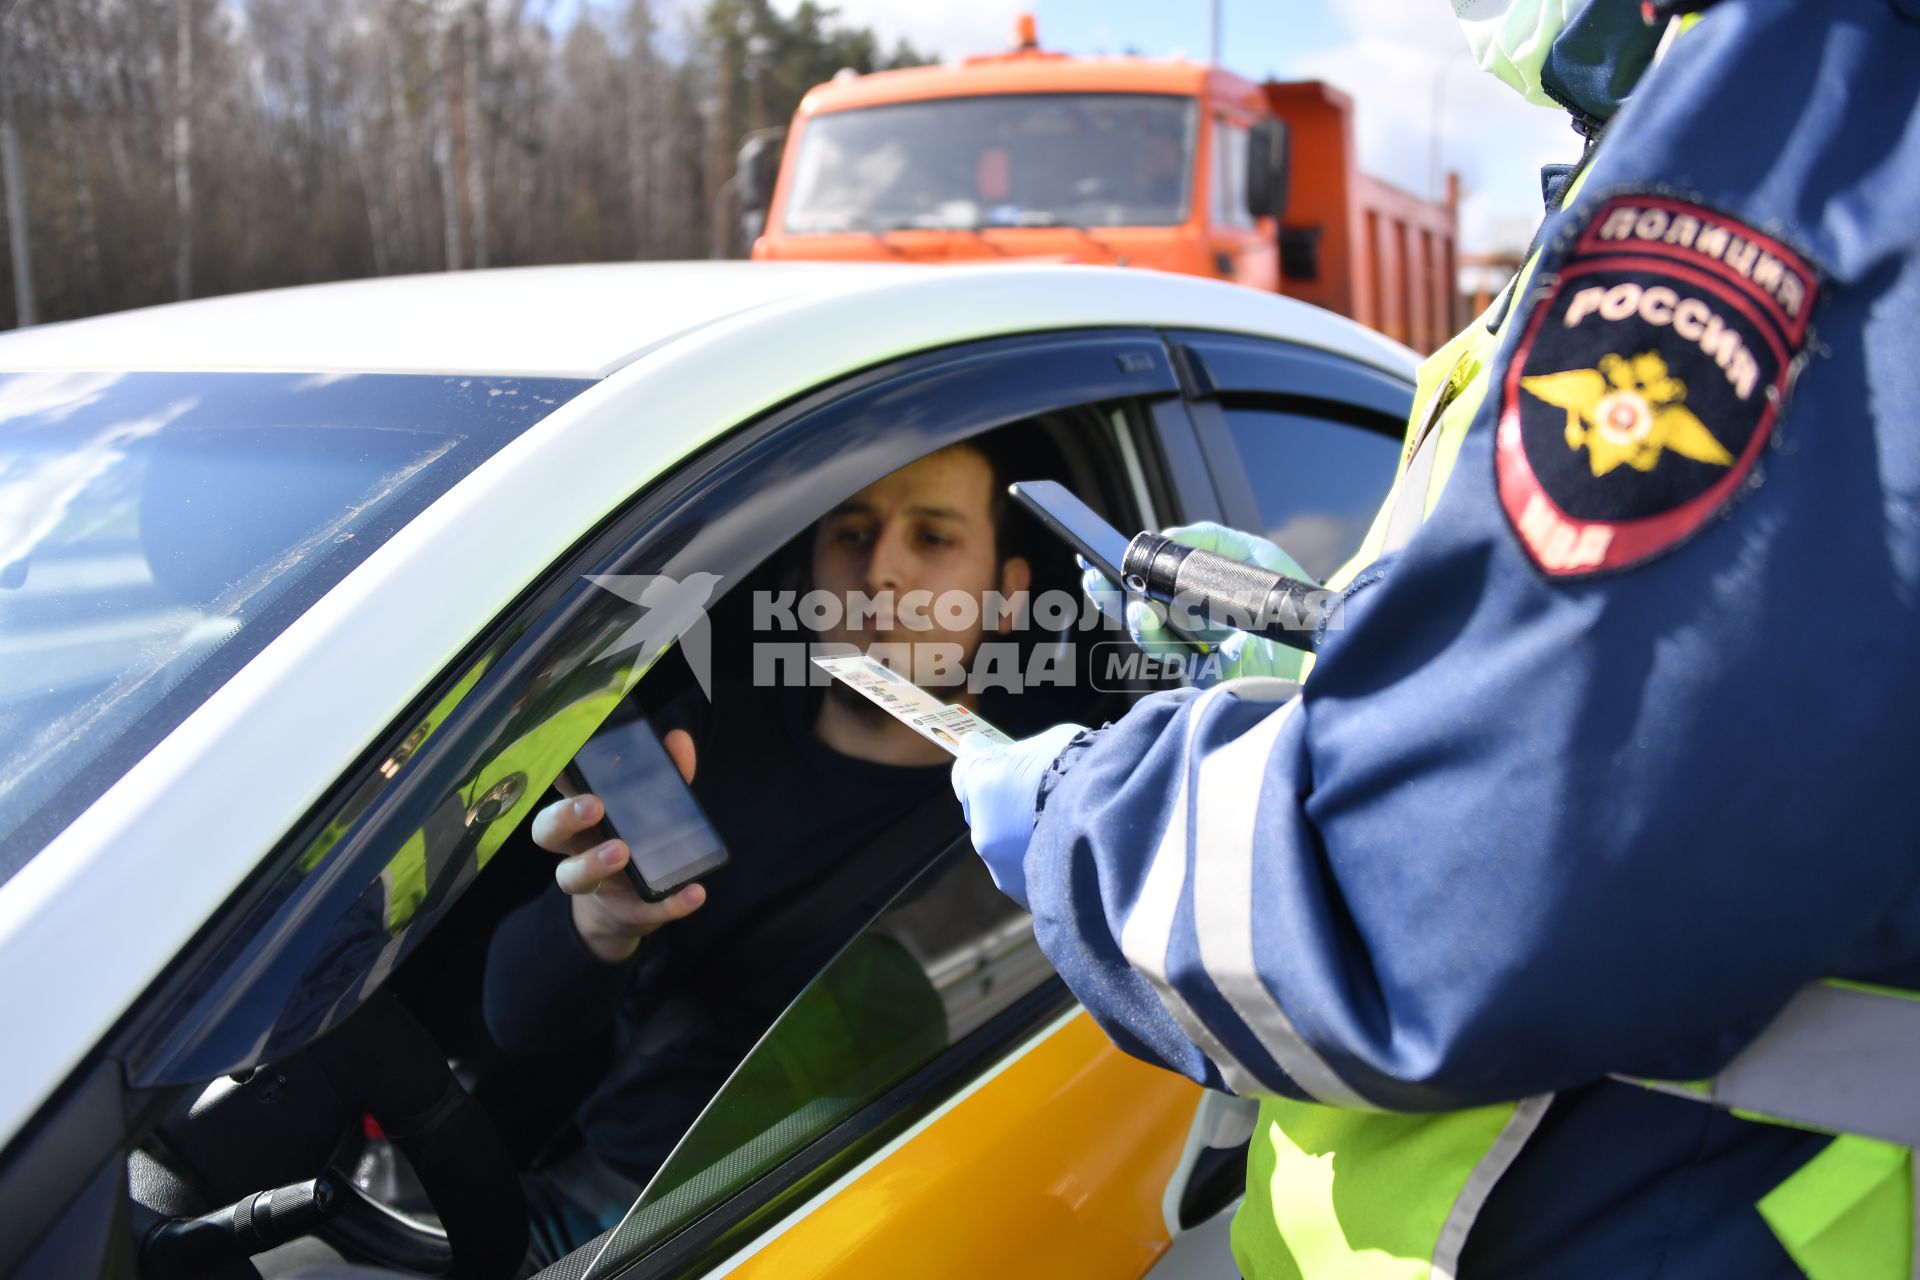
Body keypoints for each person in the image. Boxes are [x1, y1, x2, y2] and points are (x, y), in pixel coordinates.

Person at [952, 3, 1920, 1276]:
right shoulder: (1644, 208)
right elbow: (1675, 679)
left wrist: (1084, 810)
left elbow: (1449, 887)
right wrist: (1331, 661)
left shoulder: (1818, 114)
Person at [483, 440, 1032, 1255]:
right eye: (851, 532)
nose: (880, 571)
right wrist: (600, 927)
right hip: (574, 1206)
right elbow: (515, 1019)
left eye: (933, 538)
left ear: (1007, 597)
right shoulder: (704, 736)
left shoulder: (1021, 823)